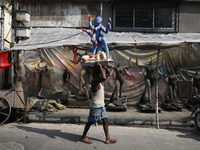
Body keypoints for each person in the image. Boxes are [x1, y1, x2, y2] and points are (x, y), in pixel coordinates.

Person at [80, 62, 117, 144]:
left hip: (101, 105)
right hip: (96, 106)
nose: (103, 73)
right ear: (97, 74)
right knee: (90, 122)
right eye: (101, 72)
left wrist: (105, 66)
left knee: (105, 121)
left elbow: (107, 74)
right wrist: (100, 66)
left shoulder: (99, 80)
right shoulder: (94, 82)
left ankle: (108, 138)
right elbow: (104, 77)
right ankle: (83, 137)